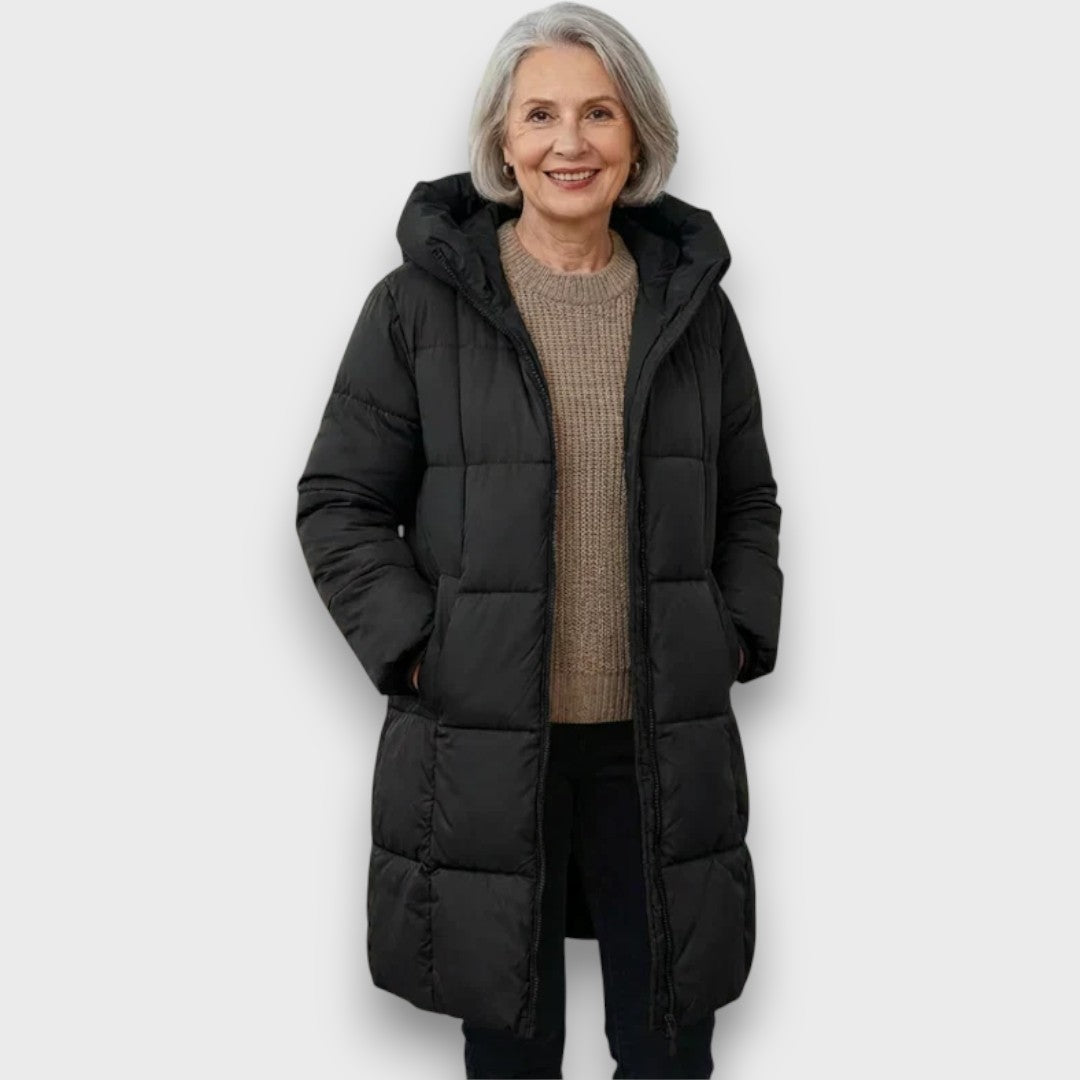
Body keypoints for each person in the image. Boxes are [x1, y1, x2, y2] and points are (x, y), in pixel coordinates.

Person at [295, 3, 783, 1077]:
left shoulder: (694, 313)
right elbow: (339, 502)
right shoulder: (416, 310)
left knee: (669, 1046)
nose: (572, 142)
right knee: (511, 1050)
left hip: (657, 742)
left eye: (600, 113)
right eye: (541, 115)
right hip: (488, 740)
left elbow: (748, 499)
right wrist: (422, 649)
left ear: (638, 138)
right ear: (503, 143)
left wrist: (734, 634)